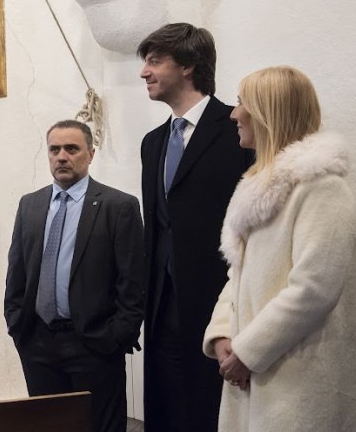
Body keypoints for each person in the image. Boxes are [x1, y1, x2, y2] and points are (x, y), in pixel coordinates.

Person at [203, 66, 356, 431]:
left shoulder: (322, 188)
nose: (233, 113)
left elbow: (314, 289)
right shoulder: (259, 187)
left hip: (298, 381)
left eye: (243, 102)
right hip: (255, 374)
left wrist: (248, 352)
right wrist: (224, 335)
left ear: (267, 111)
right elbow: (237, 271)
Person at [138, 23, 254, 432]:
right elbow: (156, 228)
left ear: (188, 65)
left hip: (218, 309)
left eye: (154, 61)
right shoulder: (152, 143)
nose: (144, 72)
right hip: (162, 308)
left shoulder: (237, 129)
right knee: (167, 412)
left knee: (210, 416)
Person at [5, 120, 144, 432]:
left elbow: (133, 282)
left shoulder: (118, 206)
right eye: (55, 149)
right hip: (37, 341)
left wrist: (118, 335)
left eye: (72, 149)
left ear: (90, 154)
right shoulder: (31, 205)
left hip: (94, 345)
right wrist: (17, 323)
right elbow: (17, 272)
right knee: (48, 425)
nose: (62, 157)